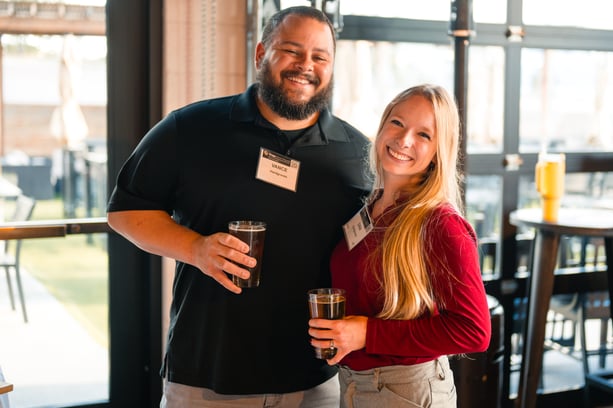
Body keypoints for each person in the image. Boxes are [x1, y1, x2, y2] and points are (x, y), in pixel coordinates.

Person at [106, 5, 372, 408]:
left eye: (320, 57)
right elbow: (125, 212)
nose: (306, 66)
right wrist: (196, 249)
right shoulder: (191, 128)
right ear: (260, 53)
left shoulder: (358, 154)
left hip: (316, 384)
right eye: (292, 51)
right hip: (207, 379)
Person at [308, 84, 491, 407]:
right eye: (397, 123)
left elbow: (474, 331)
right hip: (355, 385)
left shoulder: (441, 224)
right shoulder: (373, 204)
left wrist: (367, 334)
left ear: (439, 151)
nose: (404, 140)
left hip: (406, 390)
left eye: (424, 135)